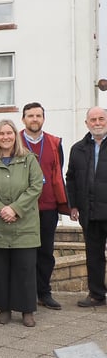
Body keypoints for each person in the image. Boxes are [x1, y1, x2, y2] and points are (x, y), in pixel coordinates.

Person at [0, 120, 42, 327]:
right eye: (1, 133)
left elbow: (36, 186)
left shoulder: (29, 159)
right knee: (0, 269)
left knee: (25, 269)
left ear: (15, 135)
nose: (5, 137)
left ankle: (27, 310)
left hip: (24, 224)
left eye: (9, 133)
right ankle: (4, 308)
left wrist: (15, 209)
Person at [19, 102, 69, 310]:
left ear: (43, 118)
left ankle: (44, 292)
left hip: (48, 206)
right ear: (23, 119)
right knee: (25, 252)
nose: (34, 119)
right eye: (30, 116)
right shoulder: (14, 140)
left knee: (46, 253)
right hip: (22, 207)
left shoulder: (54, 142)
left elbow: (58, 171)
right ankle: (25, 293)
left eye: (38, 116)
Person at [66, 106, 107, 308]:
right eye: (93, 120)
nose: (97, 123)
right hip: (89, 213)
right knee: (94, 256)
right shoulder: (78, 149)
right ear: (87, 123)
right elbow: (71, 179)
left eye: (101, 119)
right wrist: (72, 206)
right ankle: (96, 295)